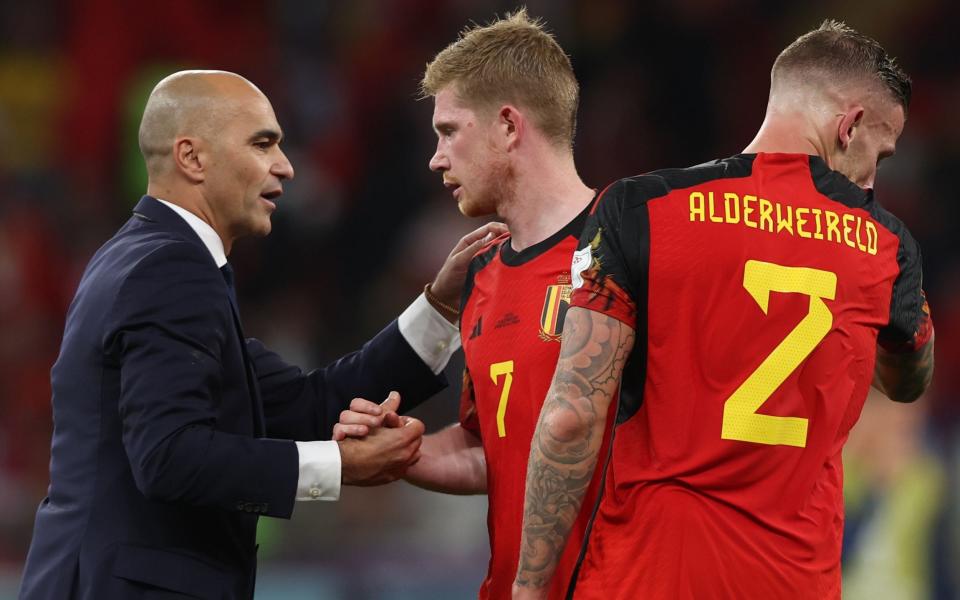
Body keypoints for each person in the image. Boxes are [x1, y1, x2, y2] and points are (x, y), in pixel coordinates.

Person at [18, 70, 504, 600]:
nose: (285, 165)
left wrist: (440, 304)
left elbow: (310, 403)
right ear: (192, 158)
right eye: (262, 143)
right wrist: (338, 466)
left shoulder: (148, 257)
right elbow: (168, 456)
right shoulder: (170, 269)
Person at [512, 20, 936, 600]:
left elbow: (570, 418)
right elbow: (910, 376)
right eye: (879, 153)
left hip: (650, 575)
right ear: (851, 125)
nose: (873, 178)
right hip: (794, 582)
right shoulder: (885, 246)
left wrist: (530, 587)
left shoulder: (638, 208)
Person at [333, 10, 608, 600]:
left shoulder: (632, 246)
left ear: (508, 125)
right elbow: (493, 449)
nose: (436, 157)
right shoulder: (481, 272)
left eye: (449, 131)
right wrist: (403, 448)